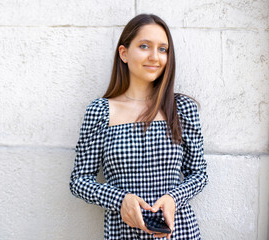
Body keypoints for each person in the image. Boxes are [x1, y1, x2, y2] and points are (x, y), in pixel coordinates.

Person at [69, 13, 208, 240]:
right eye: (145, 46)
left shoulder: (181, 108)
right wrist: (120, 200)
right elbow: (79, 181)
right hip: (123, 234)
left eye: (163, 49)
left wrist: (174, 198)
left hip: (178, 232)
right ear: (123, 53)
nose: (155, 57)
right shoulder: (100, 111)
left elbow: (199, 174)